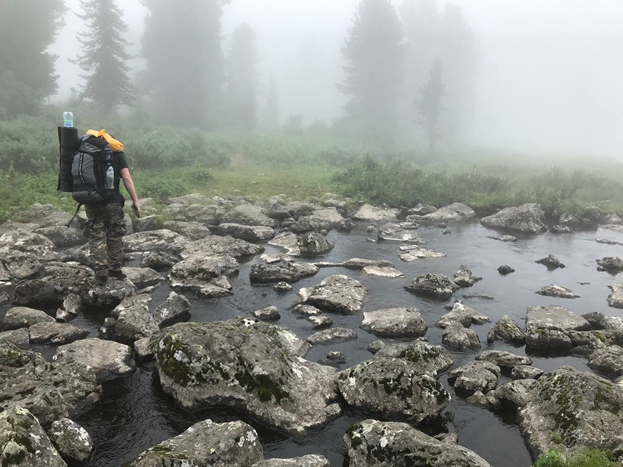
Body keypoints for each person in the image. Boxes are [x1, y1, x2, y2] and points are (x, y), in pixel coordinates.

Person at [84, 145, 141, 286]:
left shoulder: (87, 152)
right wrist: (135, 201)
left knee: (96, 234)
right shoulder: (118, 154)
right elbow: (126, 177)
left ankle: (101, 272)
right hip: (112, 200)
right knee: (115, 233)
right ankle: (115, 269)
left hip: (91, 200)